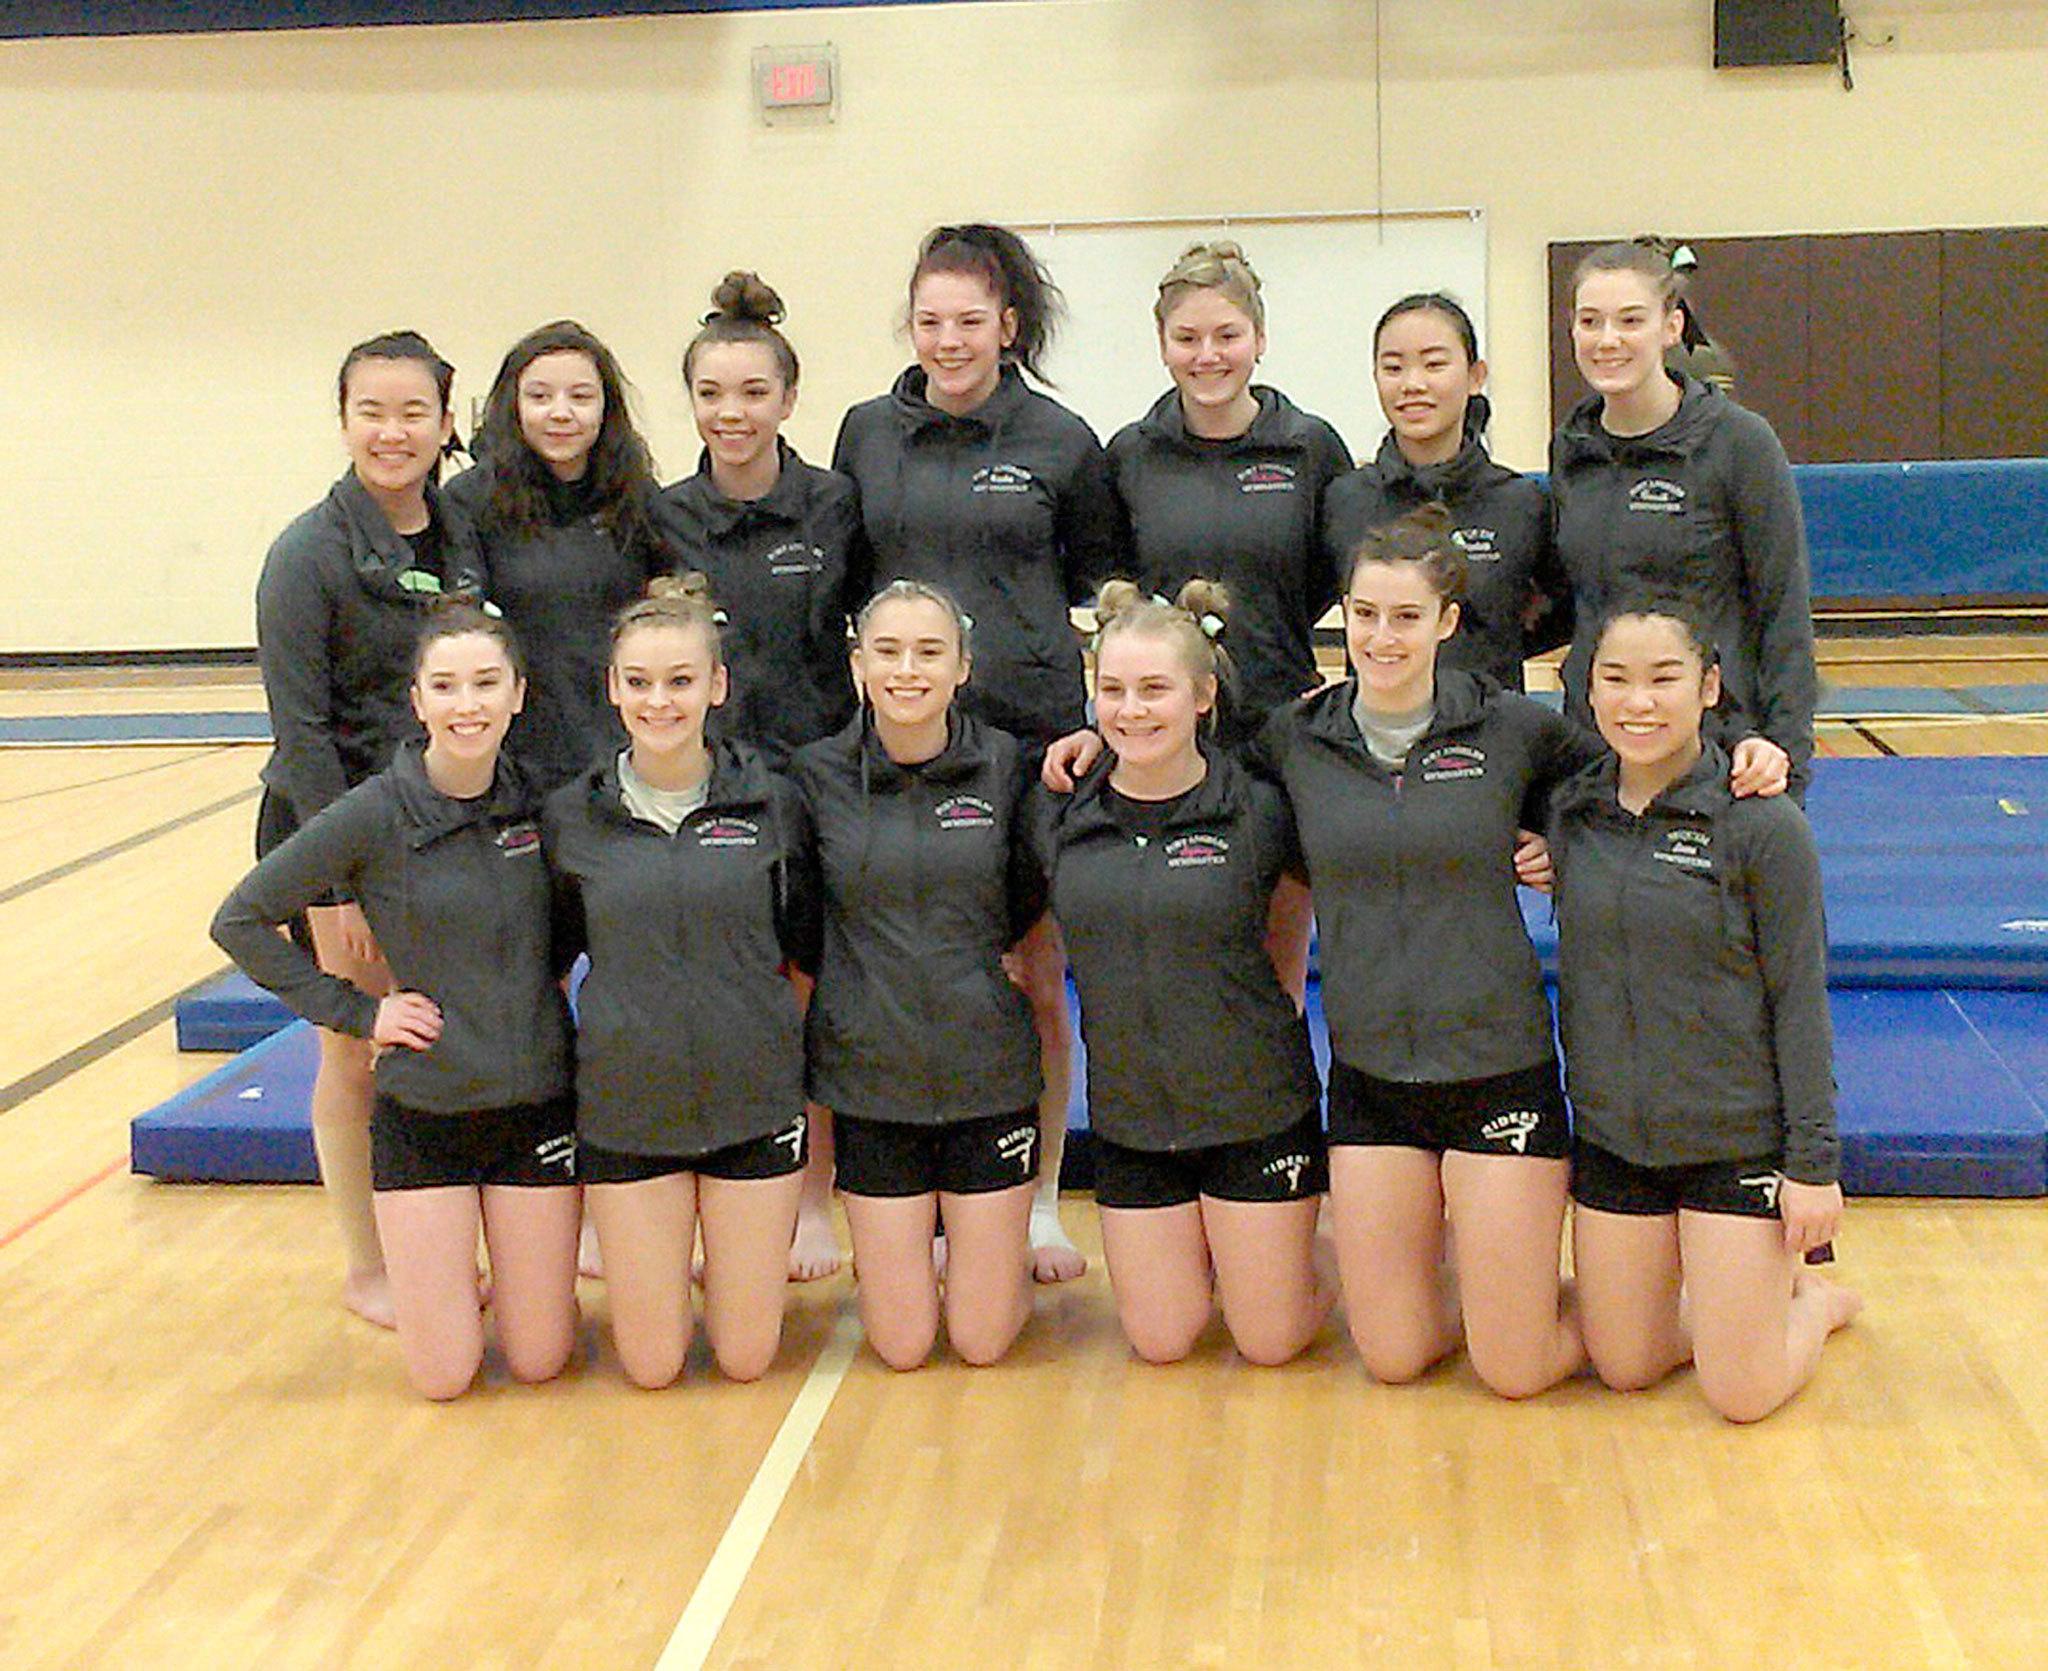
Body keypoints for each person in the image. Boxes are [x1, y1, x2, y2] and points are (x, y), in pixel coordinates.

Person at [833, 223, 1124, 1281]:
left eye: (969, 321)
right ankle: (890, 1191)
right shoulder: (866, 433)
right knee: (883, 971)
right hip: (900, 748)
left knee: (1031, 976)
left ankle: (1037, 1199)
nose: (947, 340)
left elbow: (1102, 589)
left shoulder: (1060, 440)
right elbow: (850, 587)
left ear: (1007, 327)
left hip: (1029, 748)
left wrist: (1093, 715)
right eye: (928, 322)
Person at [1256, 507, 1599, 1396]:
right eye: (1365, 614)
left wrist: (1560, 840)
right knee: (1394, 1357)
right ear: (1343, 613)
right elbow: (1189, 775)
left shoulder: (1511, 730)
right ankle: (1498, 1287)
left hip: (1498, 1070)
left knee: (1516, 1371)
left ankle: (1683, 1309)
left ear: (1447, 622)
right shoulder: (1298, 739)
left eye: (1406, 616)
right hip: (1372, 1080)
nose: (1382, 635)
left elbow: (1613, 786)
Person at [214, 601, 579, 1400]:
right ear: (417, 702)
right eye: (445, 685)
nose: (467, 703)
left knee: (541, 1359)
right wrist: (358, 1012)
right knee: (445, 1376)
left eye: (486, 683)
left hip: (537, 1114)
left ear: (519, 693)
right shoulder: (373, 813)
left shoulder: (548, 806)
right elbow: (238, 920)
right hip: (426, 1122)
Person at [1552, 595, 1859, 1421]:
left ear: (1710, 685)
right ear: (1587, 690)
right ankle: (1735, 1302)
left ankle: (1812, 1302)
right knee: (1624, 1363)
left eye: (1664, 678)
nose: (1638, 701)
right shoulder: (1573, 812)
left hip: (1734, 1139)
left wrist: (1813, 1165)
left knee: (1741, 1391)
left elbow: (1800, 998)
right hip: (1618, 1138)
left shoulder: (1762, 823)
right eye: (1615, 678)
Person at [253, 330, 486, 1328]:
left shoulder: (461, 531)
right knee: (353, 1051)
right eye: (370, 412)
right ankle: (368, 1265)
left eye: (412, 413)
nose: (391, 433)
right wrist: (338, 888)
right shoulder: (306, 553)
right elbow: (301, 731)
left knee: (441, 1041)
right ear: (342, 418)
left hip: (445, 828)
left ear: (444, 422)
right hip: (335, 837)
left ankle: (445, 1242)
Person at [1034, 581, 1329, 1365]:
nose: (1132, 710)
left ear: (1202, 695)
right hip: (1135, 1123)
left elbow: (1288, 937)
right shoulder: (1062, 811)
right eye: (1113, 690)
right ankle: (1226, 1249)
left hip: (1254, 1113)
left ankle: (1320, 1253)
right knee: (1162, 1341)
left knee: (1269, 1341)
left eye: (1155, 688)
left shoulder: (1260, 810)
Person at [544, 576, 812, 1388]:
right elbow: (550, 965)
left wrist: (762, 1042)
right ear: (612, 688)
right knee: (654, 1365)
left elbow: (806, 957)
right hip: (629, 1114)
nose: (659, 701)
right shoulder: (570, 816)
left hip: (754, 1105)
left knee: (745, 1358)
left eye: (681, 680)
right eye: (639, 682)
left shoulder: (774, 803)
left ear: (717, 686)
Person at [662, 271, 865, 1282]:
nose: (730, 414)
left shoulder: (833, 504)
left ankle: (813, 1197)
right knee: (716, 997)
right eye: (710, 394)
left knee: (806, 992)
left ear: (788, 399)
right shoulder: (661, 519)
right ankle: (715, 1195)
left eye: (751, 393)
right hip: (702, 794)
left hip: (813, 787)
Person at [790, 581, 1044, 1369]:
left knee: (979, 1340)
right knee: (900, 1346)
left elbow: (1030, 904)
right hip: (871, 1086)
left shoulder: (1008, 767)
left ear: (963, 666)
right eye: (889, 651)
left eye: (930, 651)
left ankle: (996, 1267)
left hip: (988, 1079)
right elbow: (799, 927)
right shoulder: (813, 776)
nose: (908, 670)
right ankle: (917, 1258)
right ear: (859, 663)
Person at [1553, 241, 1808, 800]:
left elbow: (1782, 610)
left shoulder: (1739, 443)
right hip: (1599, 753)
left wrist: (1784, 755)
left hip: (1718, 755)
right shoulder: (1571, 448)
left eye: (1630, 320)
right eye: (1590, 321)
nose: (1608, 340)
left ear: (1671, 328)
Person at [444, 319, 669, 793]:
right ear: (513, 405)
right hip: (512, 754)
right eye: (540, 396)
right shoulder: (469, 502)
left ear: (606, 408)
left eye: (581, 397)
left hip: (619, 748)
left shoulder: (637, 496)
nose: (560, 413)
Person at [1320, 291, 1566, 692]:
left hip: (1491, 733)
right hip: (1373, 738)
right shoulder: (1345, 500)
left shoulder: (1521, 502)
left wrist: (1488, 651)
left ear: (1475, 376)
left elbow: (1563, 612)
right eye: (1393, 367)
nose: (1413, 385)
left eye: (1434, 365)